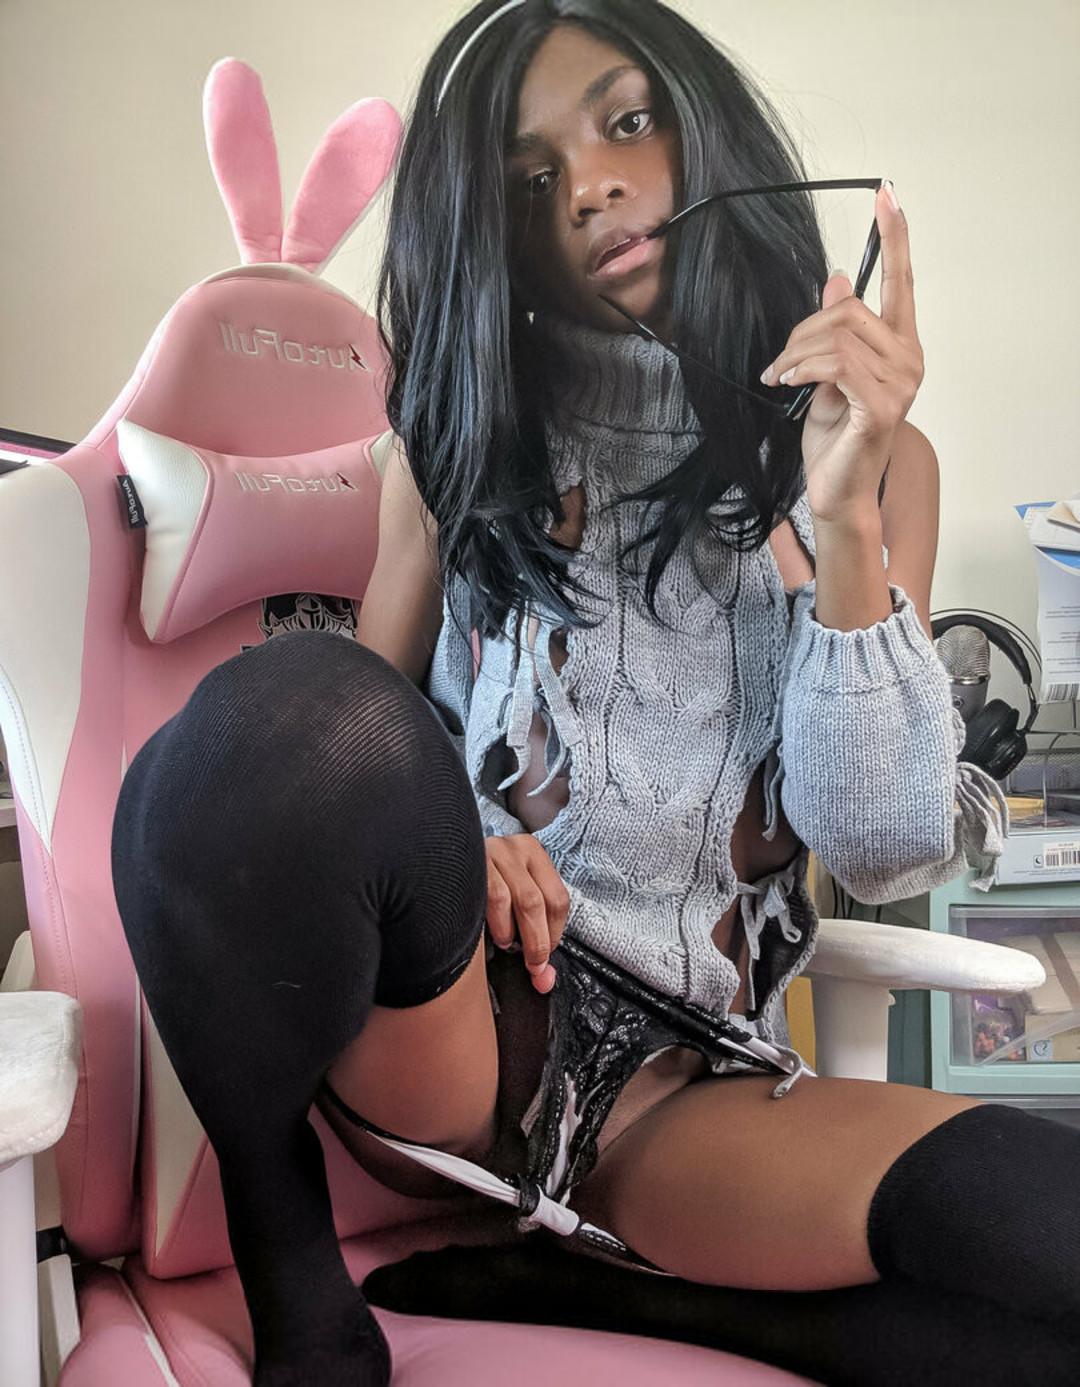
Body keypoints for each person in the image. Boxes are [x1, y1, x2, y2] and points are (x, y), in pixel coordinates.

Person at [110, 3, 1080, 1384]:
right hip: (466, 1028)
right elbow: (339, 759)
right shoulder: (456, 444)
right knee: (281, 712)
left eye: (627, 123)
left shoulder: (880, 467)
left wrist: (843, 514)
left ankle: (620, 1290)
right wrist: (462, 836)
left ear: (705, 132)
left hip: (689, 1098)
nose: (589, 189)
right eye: (530, 180)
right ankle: (292, 1267)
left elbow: (879, 845)